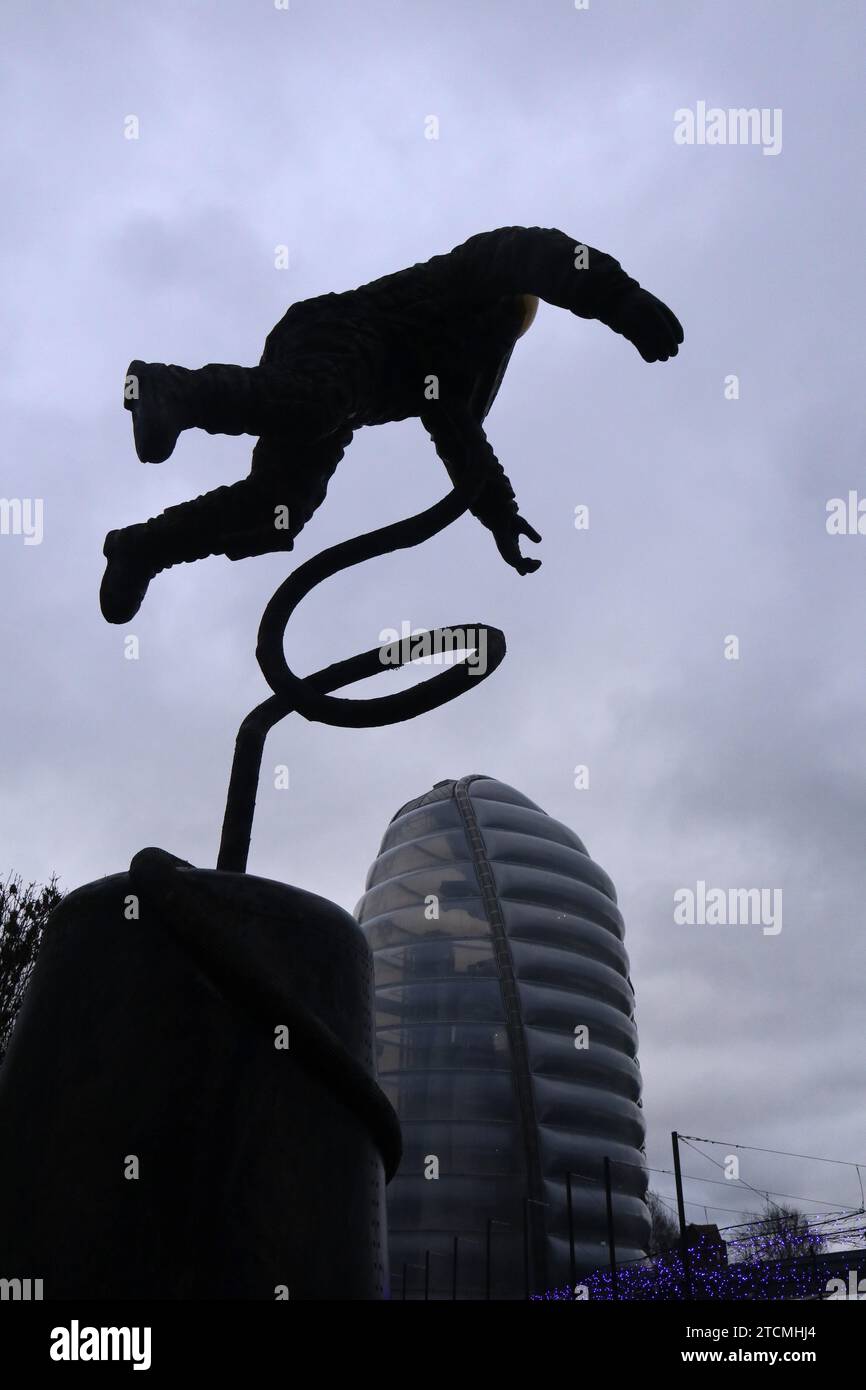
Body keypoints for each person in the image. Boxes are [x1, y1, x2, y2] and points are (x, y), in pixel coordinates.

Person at [100, 225, 683, 623]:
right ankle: (166, 386)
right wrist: (621, 301)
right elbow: (539, 252)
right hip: (335, 333)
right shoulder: (468, 274)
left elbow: (464, 444)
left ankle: (143, 548)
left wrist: (498, 513)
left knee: (277, 512)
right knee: (319, 401)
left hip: (340, 399)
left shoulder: (455, 378)